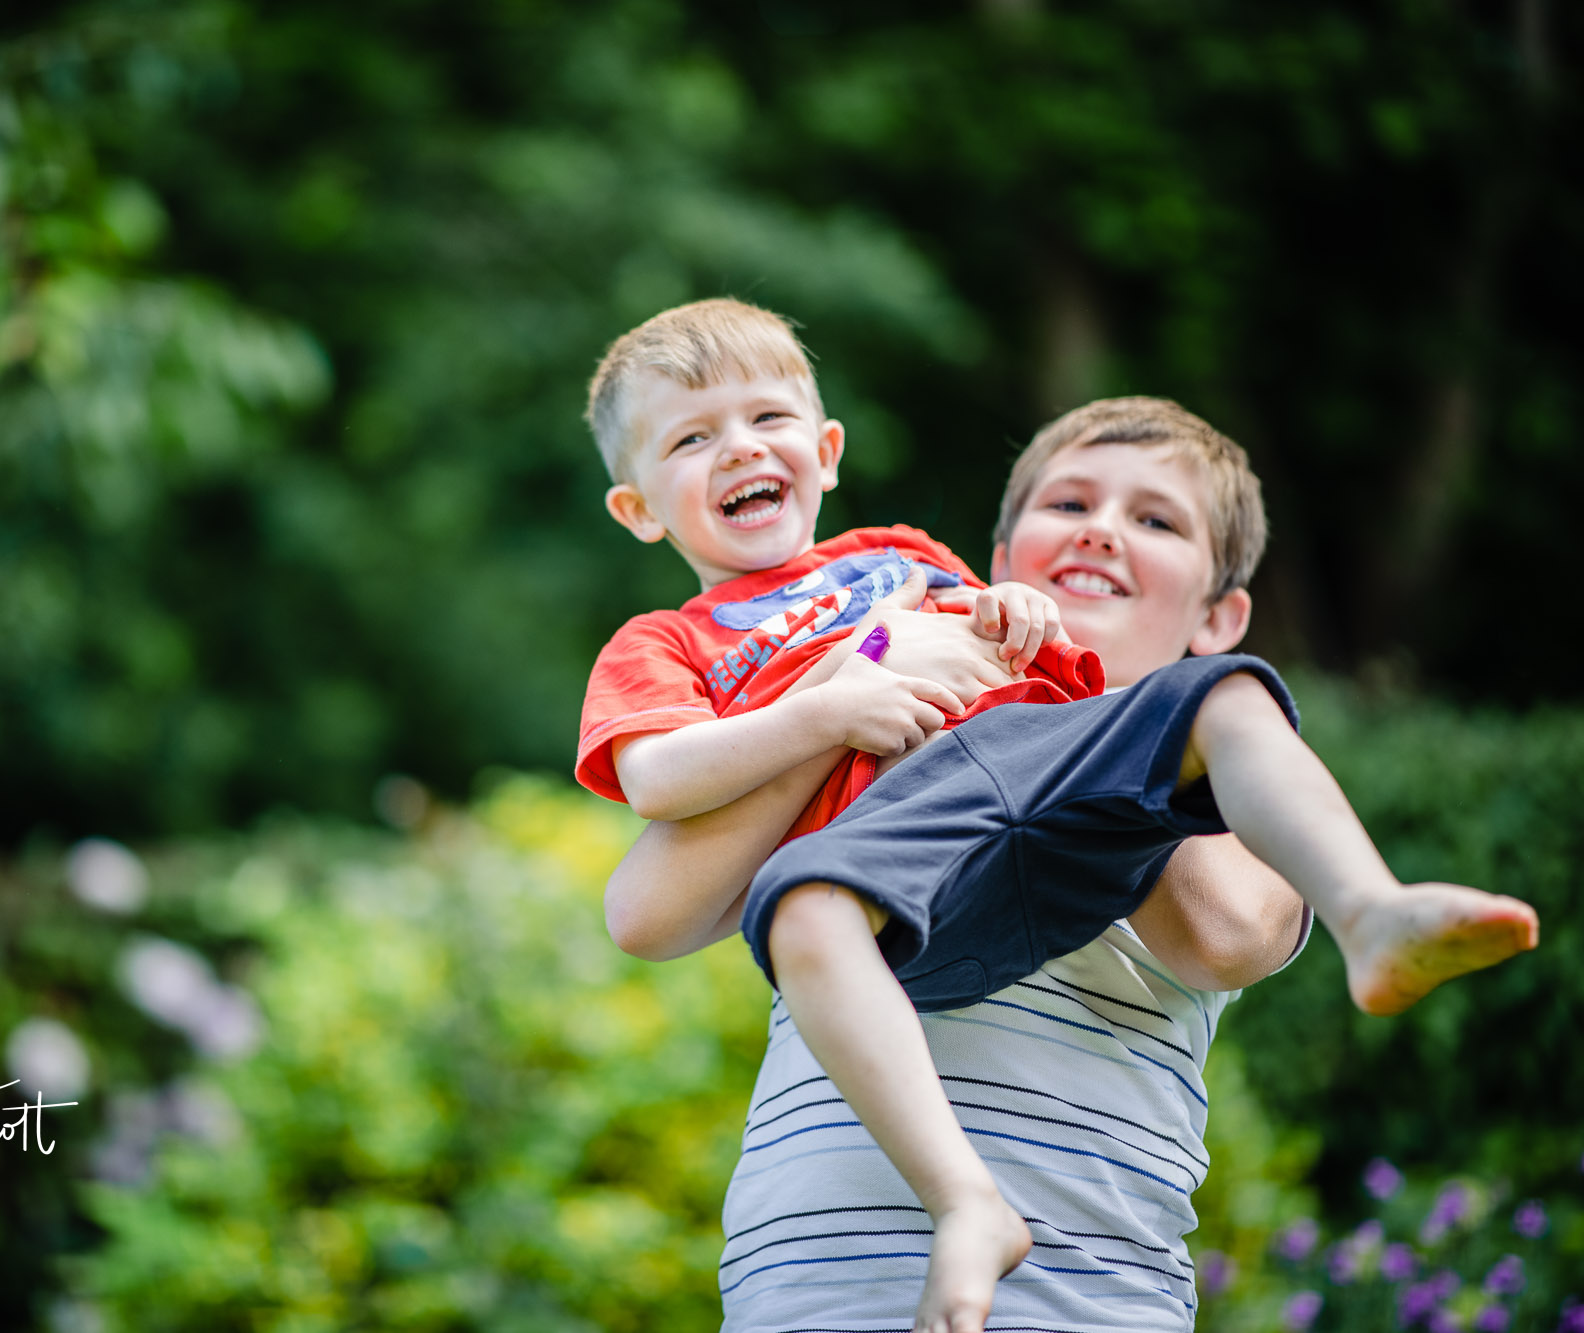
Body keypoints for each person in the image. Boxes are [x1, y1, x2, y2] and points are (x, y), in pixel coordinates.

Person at [576, 299, 1540, 1332]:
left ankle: (1371, 911)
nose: (1098, 530)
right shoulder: (864, 609)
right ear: (988, 558)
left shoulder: (1219, 772)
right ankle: (964, 1200)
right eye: (1068, 502)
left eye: (1155, 521)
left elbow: (1223, 931)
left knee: (1226, 702)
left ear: (1215, 615)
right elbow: (644, 903)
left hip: (1082, 1299)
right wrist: (858, 685)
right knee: (804, 906)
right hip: (812, 1273)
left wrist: (1101, 692)